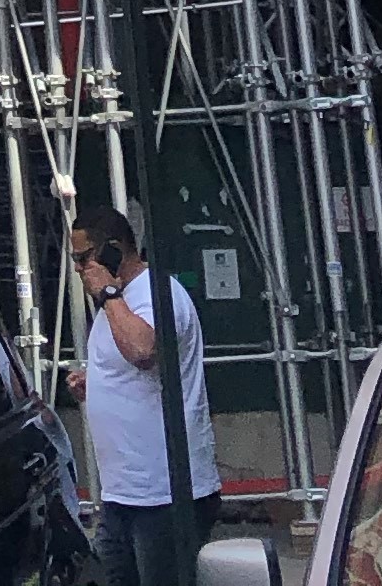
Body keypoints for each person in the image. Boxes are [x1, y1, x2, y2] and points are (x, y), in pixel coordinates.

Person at [69, 207, 219, 586]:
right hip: (123, 490)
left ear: (114, 250)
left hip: (163, 492)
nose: (77, 268)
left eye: (83, 257)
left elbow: (142, 350)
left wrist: (108, 292)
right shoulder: (115, 304)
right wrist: (97, 383)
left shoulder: (156, 293)